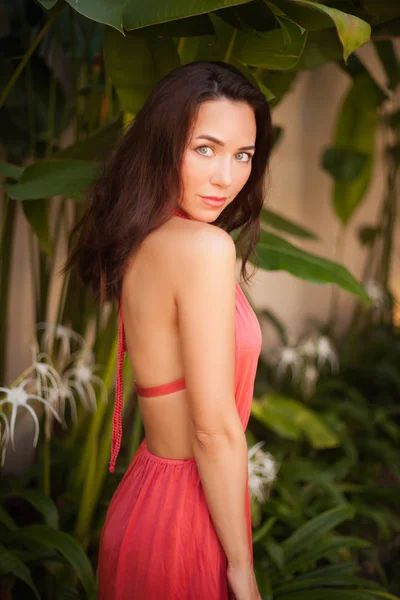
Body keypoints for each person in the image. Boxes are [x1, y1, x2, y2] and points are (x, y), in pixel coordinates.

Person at [63, 60, 272, 599]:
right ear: (164, 146)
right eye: (205, 149)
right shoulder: (204, 249)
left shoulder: (145, 236)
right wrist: (242, 571)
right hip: (187, 515)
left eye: (242, 155)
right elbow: (213, 430)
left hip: (145, 502)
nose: (226, 177)